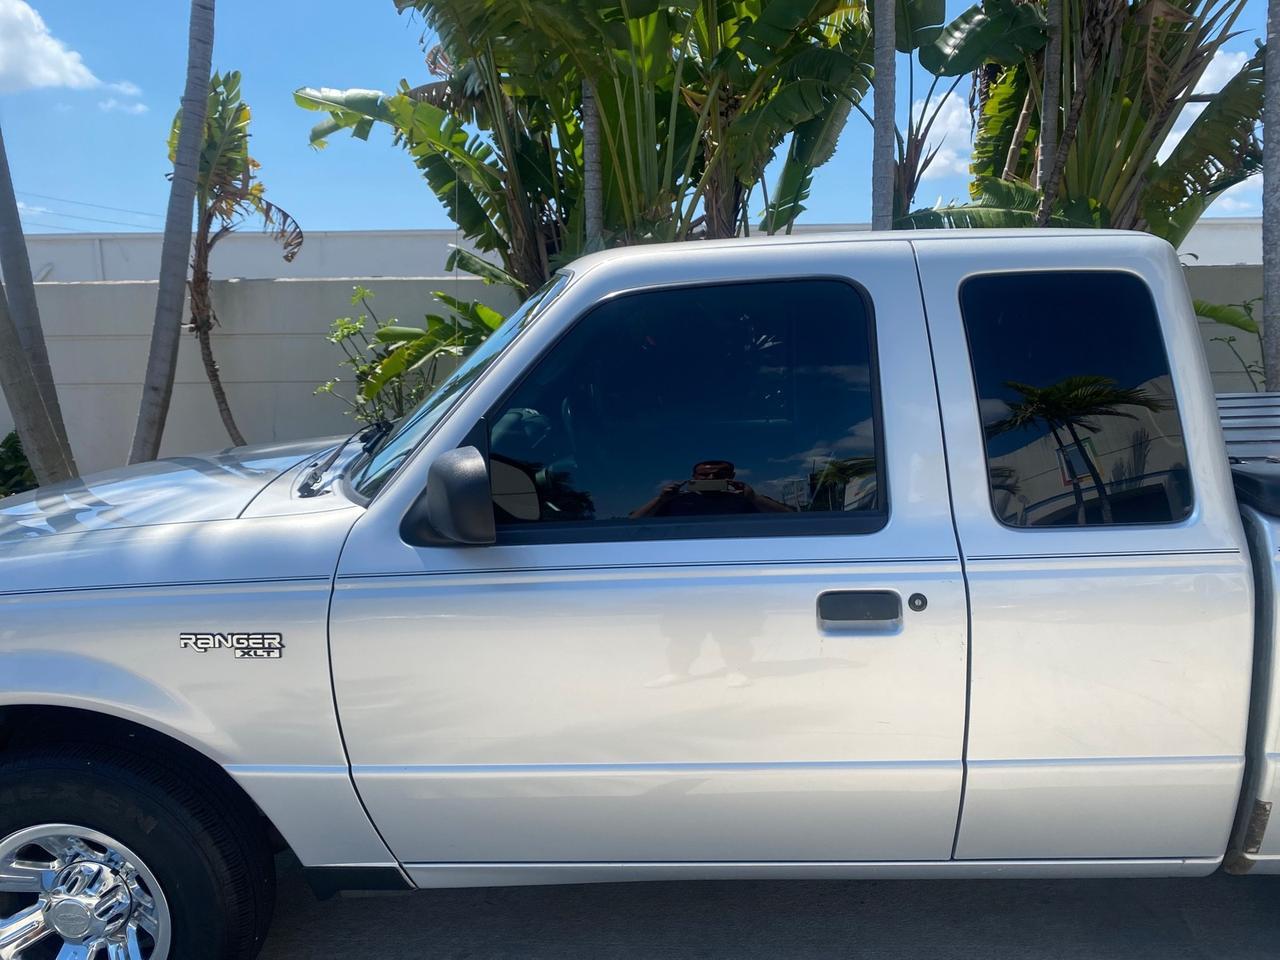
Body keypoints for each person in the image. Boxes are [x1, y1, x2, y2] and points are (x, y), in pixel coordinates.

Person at [630, 460, 793, 518]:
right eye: (704, 475)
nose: (711, 478)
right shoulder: (674, 501)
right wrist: (661, 499)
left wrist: (754, 498)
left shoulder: (748, 499)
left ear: (732, 476)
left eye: (719, 474)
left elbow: (789, 519)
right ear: (693, 477)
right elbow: (634, 522)